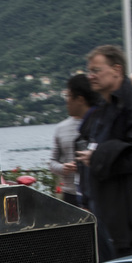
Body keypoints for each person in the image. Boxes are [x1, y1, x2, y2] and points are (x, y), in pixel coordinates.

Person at [75, 45, 132, 260]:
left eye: (97, 70)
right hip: (104, 208)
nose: (91, 77)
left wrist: (99, 157)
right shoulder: (105, 108)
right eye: (90, 71)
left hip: (127, 213)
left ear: (116, 69)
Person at [48, 77, 91, 206]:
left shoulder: (97, 124)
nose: (66, 100)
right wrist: (63, 168)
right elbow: (51, 163)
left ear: (80, 99)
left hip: (93, 192)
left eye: (69, 96)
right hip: (70, 193)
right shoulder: (61, 128)